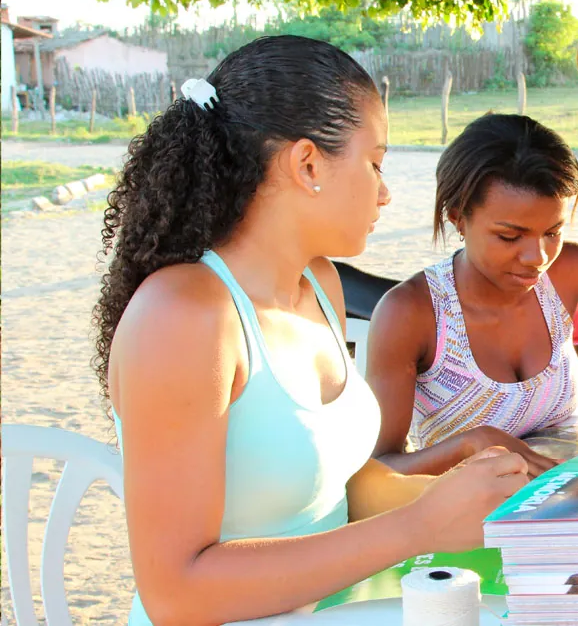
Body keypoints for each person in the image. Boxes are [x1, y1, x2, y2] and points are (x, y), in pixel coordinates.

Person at [94, 35, 528, 625]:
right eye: (375, 162)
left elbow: (331, 494)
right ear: (307, 164)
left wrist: (471, 498)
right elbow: (175, 591)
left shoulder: (319, 286)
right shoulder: (184, 317)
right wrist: (417, 527)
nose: (385, 191)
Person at [366, 113, 578, 477]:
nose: (538, 258)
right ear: (458, 217)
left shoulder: (572, 269)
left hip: (577, 495)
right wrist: (475, 443)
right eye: (509, 236)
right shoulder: (412, 313)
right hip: (467, 522)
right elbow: (380, 470)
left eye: (553, 232)